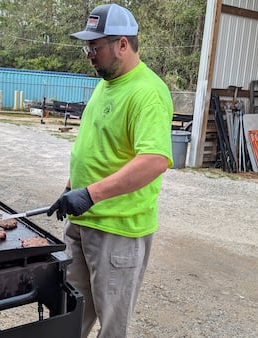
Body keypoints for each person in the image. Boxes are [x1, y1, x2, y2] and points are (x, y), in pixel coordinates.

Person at [46, 4, 174, 338]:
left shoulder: (147, 92)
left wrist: (90, 194)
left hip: (118, 232)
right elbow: (96, 147)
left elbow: (154, 160)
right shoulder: (107, 83)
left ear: (122, 44)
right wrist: (70, 188)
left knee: (111, 325)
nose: (89, 53)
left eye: (95, 46)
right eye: (87, 46)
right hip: (83, 223)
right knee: (72, 314)